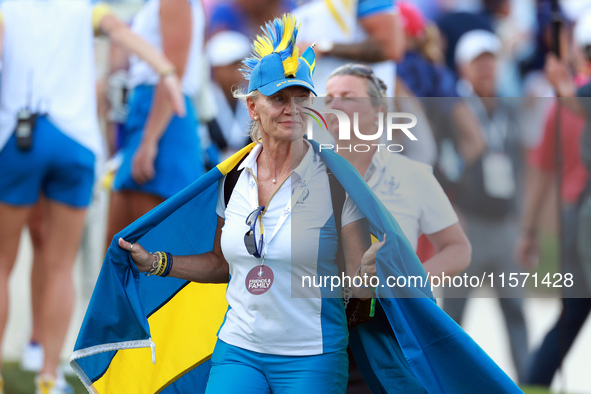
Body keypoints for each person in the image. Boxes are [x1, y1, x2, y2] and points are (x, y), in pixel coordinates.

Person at [119, 14, 380, 392]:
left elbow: (359, 290)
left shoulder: (337, 183)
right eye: (279, 99)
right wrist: (158, 263)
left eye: (301, 97)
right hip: (239, 350)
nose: (292, 108)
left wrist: (369, 278)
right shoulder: (232, 179)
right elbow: (221, 265)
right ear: (253, 107)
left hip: (312, 356)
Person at [0, 0, 185, 391]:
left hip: (19, 137)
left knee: (2, 263)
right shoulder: (84, 8)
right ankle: (49, 377)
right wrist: (166, 70)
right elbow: (123, 33)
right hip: (77, 142)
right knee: (60, 264)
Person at [324, 63, 472, 392]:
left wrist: (410, 282)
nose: (334, 105)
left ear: (379, 111)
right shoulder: (308, 174)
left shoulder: (413, 175)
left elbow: (458, 248)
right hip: (325, 327)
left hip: (391, 329)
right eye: (329, 98)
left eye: (347, 97)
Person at [442, 29, 529, 382]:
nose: (486, 69)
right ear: (463, 67)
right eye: (479, 63)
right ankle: (442, 380)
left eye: (491, 61)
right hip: (468, 222)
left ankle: (530, 380)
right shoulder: (452, 109)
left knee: (515, 310)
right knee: (454, 314)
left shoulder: (507, 108)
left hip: (503, 224)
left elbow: (520, 167)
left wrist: (523, 225)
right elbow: (435, 162)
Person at [517, 10, 591, 386]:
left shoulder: (565, 102)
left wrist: (528, 231)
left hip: (572, 219)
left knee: (571, 317)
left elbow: (541, 176)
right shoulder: (565, 100)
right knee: (571, 316)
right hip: (580, 219)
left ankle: (534, 381)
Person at [106, 0, 207, 247]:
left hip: (162, 120)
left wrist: (149, 141)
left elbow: (173, 71)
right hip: (150, 116)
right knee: (120, 253)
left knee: (149, 255)